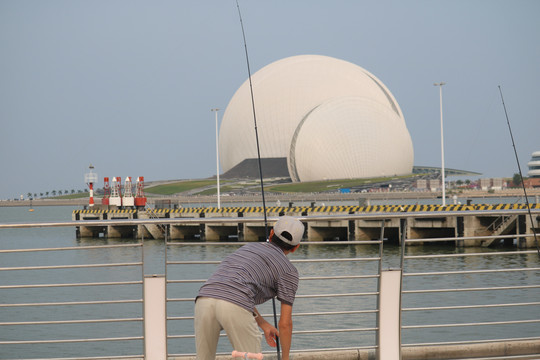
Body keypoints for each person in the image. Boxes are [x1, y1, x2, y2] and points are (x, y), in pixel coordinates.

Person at [194, 215, 305, 360]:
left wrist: (263, 324)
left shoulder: (248, 248)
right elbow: (285, 324)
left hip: (204, 298)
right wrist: (285, 358)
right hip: (234, 304)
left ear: (271, 234)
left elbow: (237, 287)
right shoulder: (288, 271)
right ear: (296, 248)